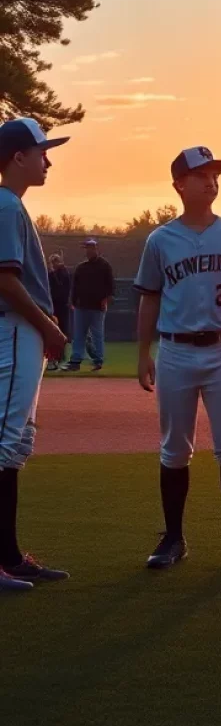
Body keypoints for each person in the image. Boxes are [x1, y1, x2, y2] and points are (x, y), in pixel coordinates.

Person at [134, 146, 221, 571]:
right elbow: (150, 298)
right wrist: (143, 353)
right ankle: (173, 538)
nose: (211, 181)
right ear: (179, 184)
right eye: (201, 175)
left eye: (215, 175)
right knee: (174, 449)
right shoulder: (160, 239)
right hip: (175, 349)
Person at [0, 118, 71, 591]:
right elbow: (5, 281)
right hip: (14, 329)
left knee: (14, 443)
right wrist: (48, 327)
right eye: (41, 151)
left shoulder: (11, 205)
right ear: (18, 156)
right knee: (5, 442)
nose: (48, 159)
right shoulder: (6, 205)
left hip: (22, 331)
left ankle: (8, 557)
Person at [62, 237, 114, 372]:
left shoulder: (104, 265)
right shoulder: (81, 267)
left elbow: (111, 286)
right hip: (81, 306)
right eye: (87, 248)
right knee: (78, 334)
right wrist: (72, 301)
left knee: (97, 335)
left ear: (97, 249)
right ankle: (75, 361)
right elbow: (75, 286)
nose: (89, 250)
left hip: (97, 306)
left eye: (91, 248)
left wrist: (105, 300)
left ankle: (98, 360)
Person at [46, 252, 72, 370]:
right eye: (52, 262)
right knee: (53, 329)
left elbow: (64, 286)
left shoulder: (64, 273)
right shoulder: (51, 275)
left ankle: (61, 357)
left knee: (63, 330)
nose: (54, 264)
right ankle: (53, 358)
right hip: (53, 305)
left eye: (56, 261)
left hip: (63, 305)